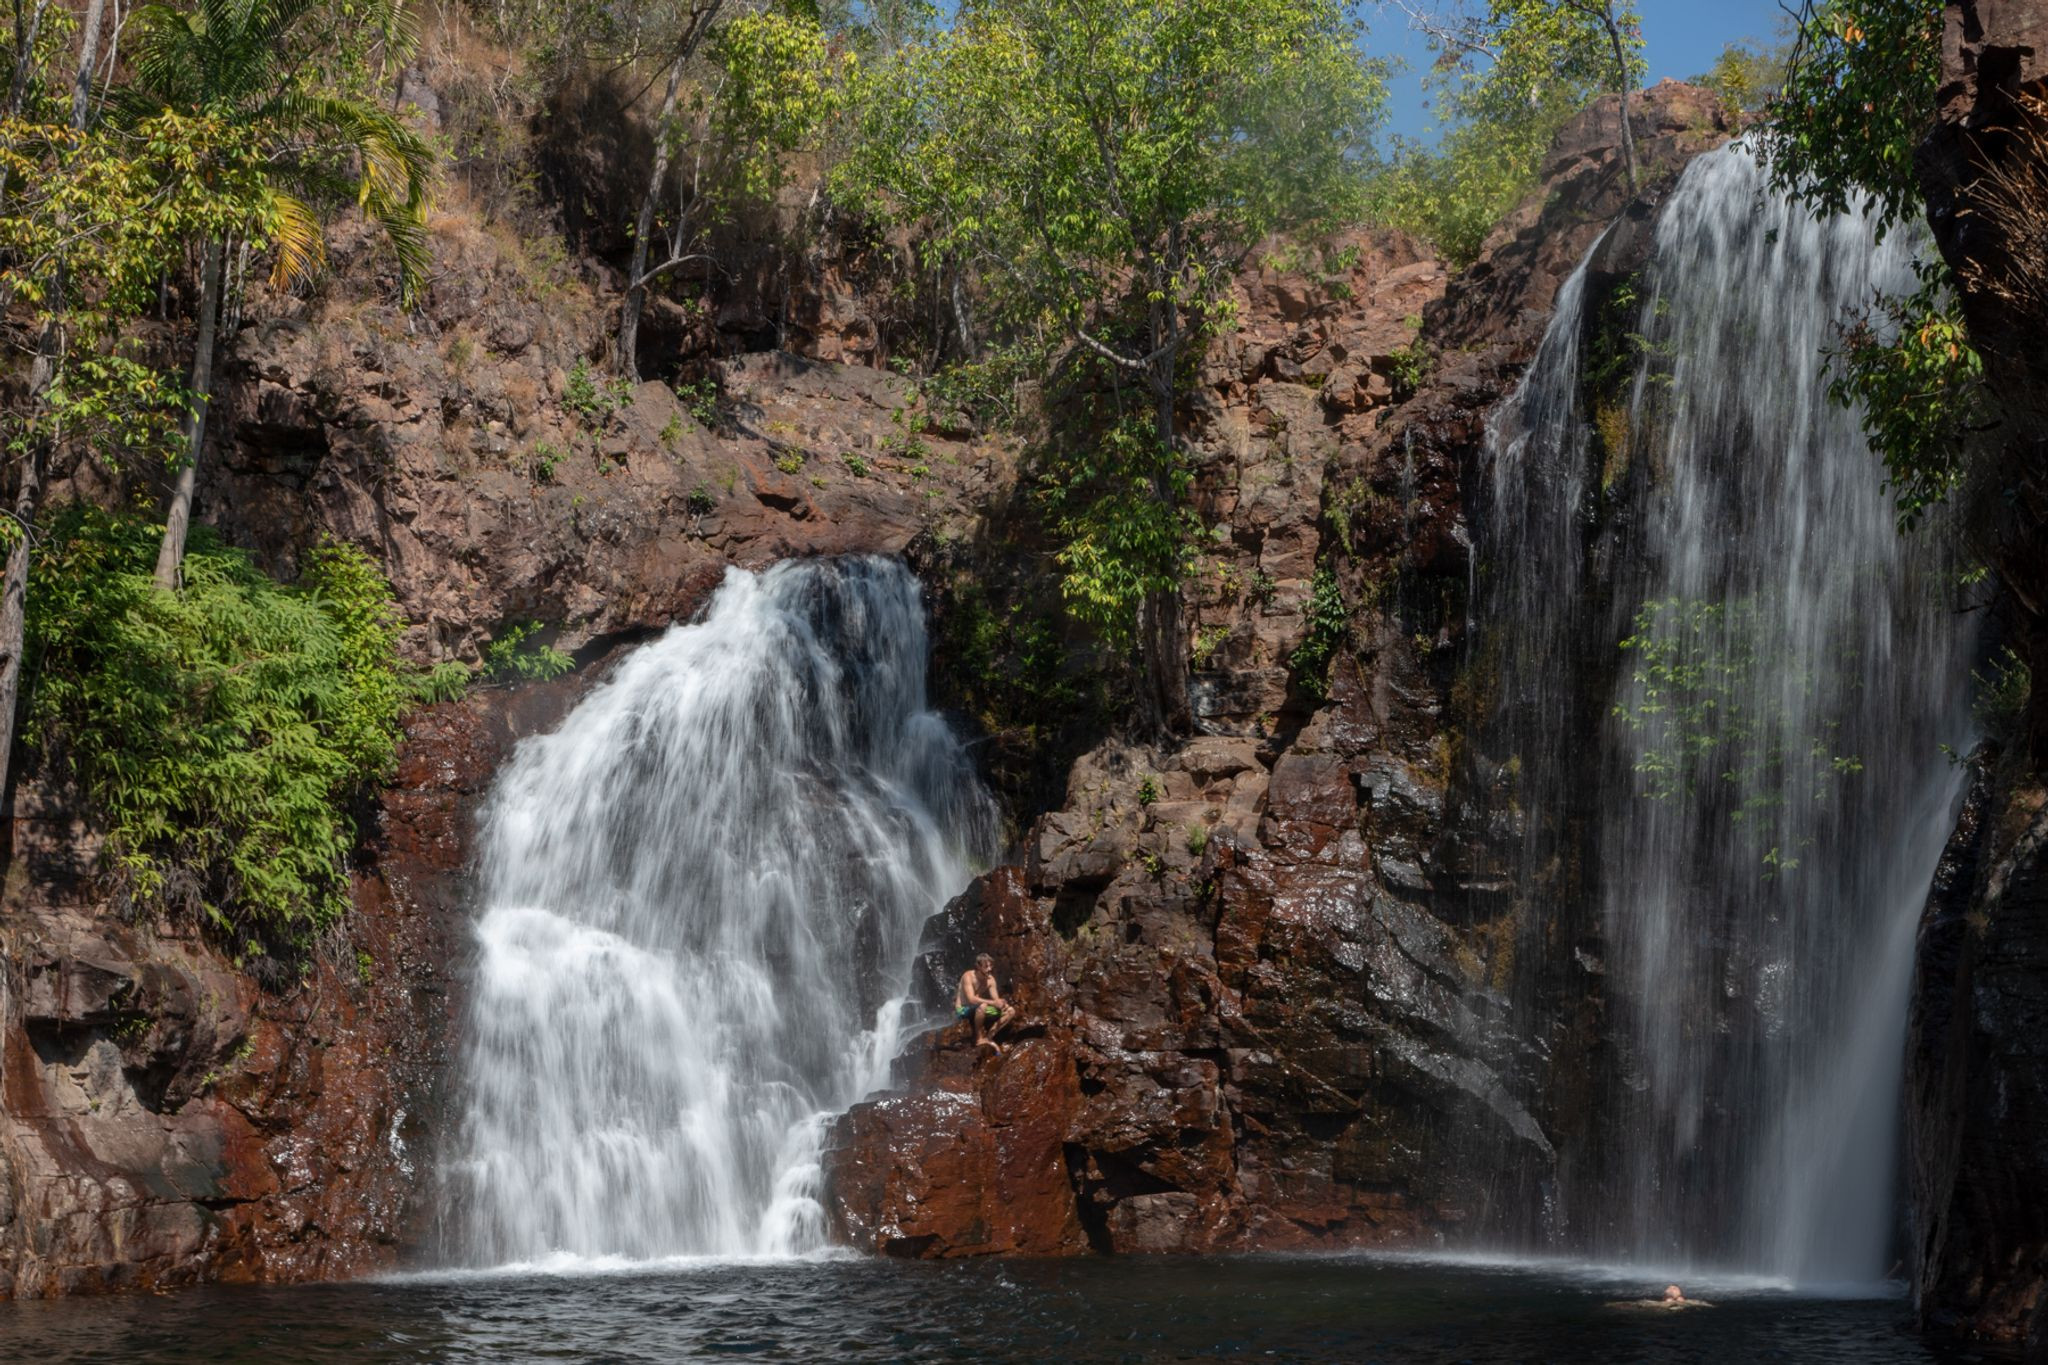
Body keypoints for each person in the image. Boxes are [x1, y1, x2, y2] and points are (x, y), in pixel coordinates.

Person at [955, 953, 1013, 1055]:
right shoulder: (968, 976)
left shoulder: (990, 980)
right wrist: (992, 1002)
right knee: (982, 1006)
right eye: (986, 966)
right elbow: (971, 999)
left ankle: (989, 1036)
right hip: (963, 1010)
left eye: (991, 966)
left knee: (1011, 1011)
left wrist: (1003, 1004)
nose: (989, 969)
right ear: (978, 966)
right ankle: (978, 1038)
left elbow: (996, 999)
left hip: (978, 1010)